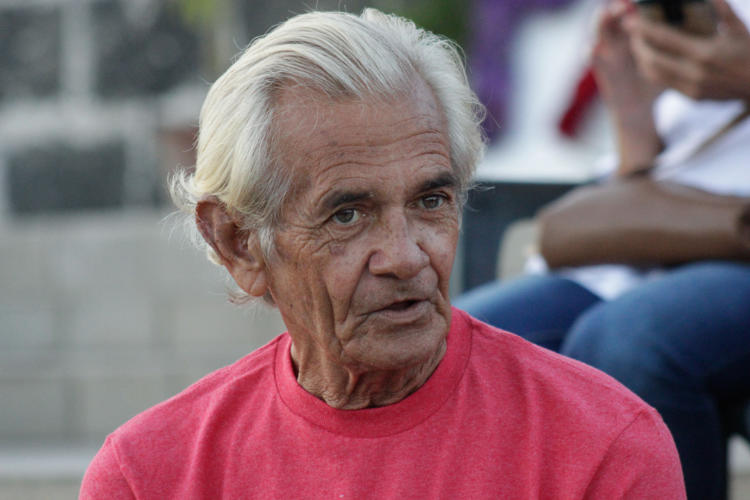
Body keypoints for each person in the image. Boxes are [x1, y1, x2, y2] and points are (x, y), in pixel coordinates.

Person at [80, 8, 686, 499]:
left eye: (430, 201)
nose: (405, 257)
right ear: (239, 243)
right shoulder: (148, 476)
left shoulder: (604, 446)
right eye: (347, 215)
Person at [456, 0, 750, 498]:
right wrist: (630, 100)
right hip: (668, 236)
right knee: (467, 344)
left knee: (630, 343)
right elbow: (649, 176)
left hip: (724, 251)